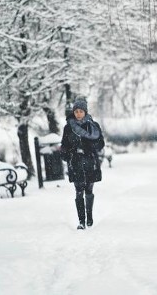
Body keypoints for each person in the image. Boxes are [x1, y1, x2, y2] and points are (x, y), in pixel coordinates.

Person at [60, 97, 105, 230]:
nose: (78, 113)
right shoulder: (68, 128)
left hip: (91, 161)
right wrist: (67, 154)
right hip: (76, 162)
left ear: (85, 112)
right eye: (76, 111)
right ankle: (81, 221)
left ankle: (89, 217)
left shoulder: (93, 126)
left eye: (81, 111)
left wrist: (90, 146)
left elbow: (101, 143)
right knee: (78, 191)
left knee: (89, 190)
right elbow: (64, 145)